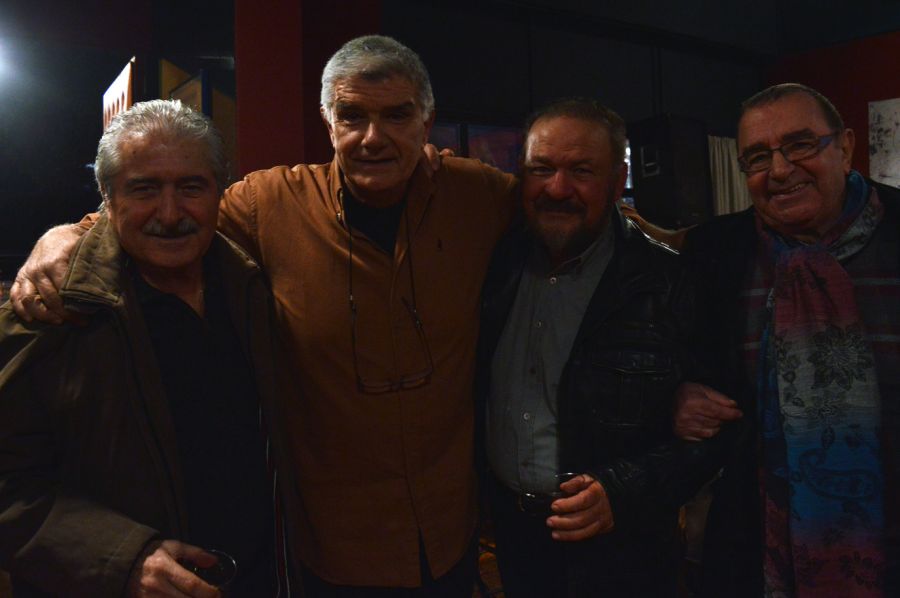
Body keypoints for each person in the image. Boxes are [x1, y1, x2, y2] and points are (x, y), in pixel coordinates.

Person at [10, 36, 518, 595]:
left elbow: (565, 206)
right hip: (326, 552)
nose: (373, 137)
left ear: (427, 122)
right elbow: (167, 214)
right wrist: (63, 237)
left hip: (449, 537)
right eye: (352, 116)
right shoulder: (270, 203)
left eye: (397, 115)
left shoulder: (479, 196)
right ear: (328, 122)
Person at [0, 100, 285, 595]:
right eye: (144, 189)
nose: (170, 214)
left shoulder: (254, 286)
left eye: (191, 187)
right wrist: (123, 559)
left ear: (220, 192)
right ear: (108, 199)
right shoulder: (46, 314)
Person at [475, 98, 720, 597]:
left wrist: (624, 491)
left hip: (626, 554)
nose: (557, 188)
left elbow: (715, 434)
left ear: (617, 179)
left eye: (581, 171)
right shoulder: (493, 261)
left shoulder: (669, 281)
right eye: (541, 168)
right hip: (515, 541)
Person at [675, 83, 900, 597]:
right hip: (761, 553)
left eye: (800, 145)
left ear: (845, 147)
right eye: (757, 157)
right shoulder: (713, 252)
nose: (779, 170)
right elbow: (677, 360)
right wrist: (676, 396)